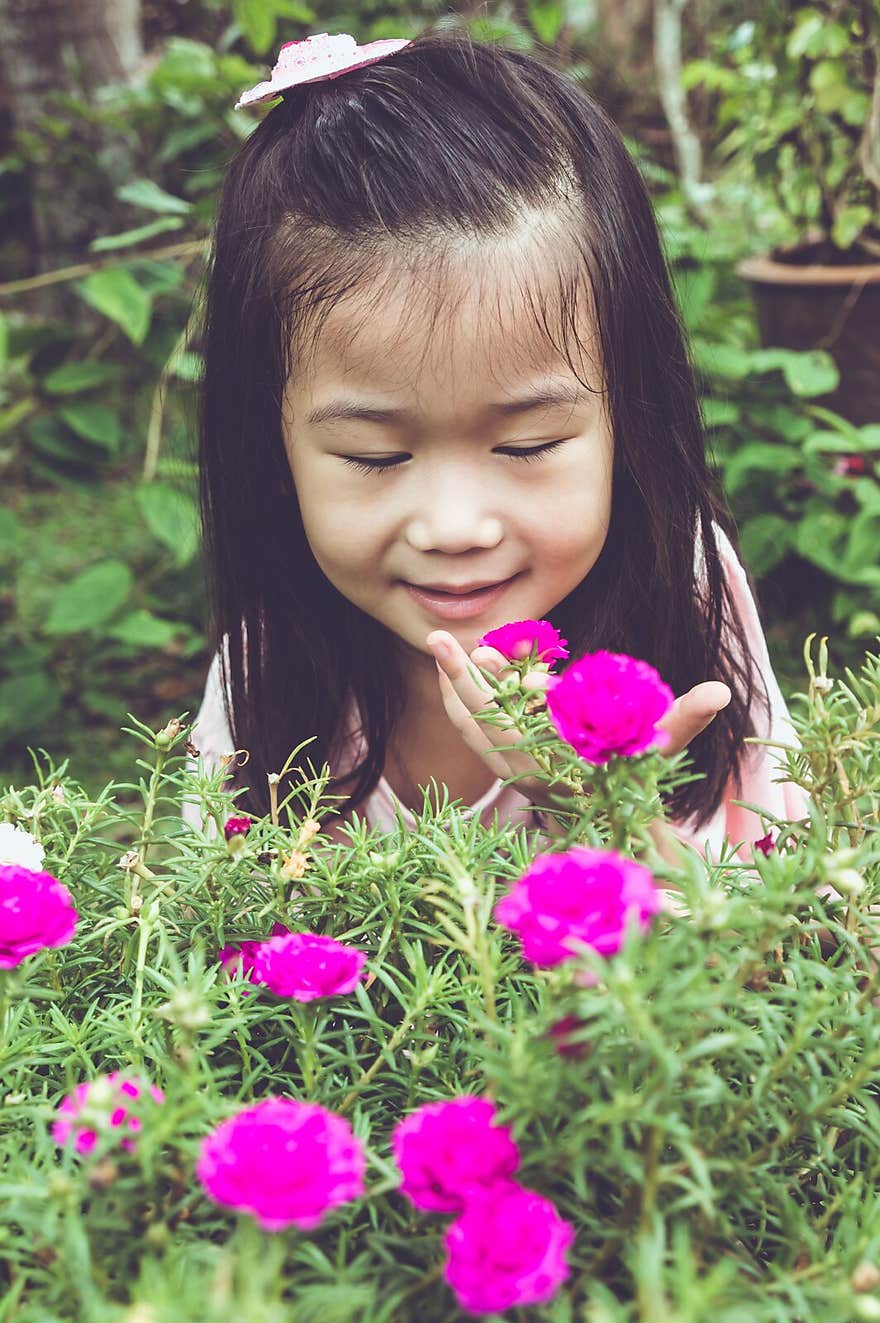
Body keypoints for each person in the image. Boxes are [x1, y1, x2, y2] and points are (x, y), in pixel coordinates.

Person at [182, 27, 808, 861]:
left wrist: (605, 810)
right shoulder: (266, 677)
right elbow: (213, 945)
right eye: (375, 456)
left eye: (527, 444)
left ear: (631, 413)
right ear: (272, 438)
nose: (454, 526)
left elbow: (779, 943)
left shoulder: (686, 598)